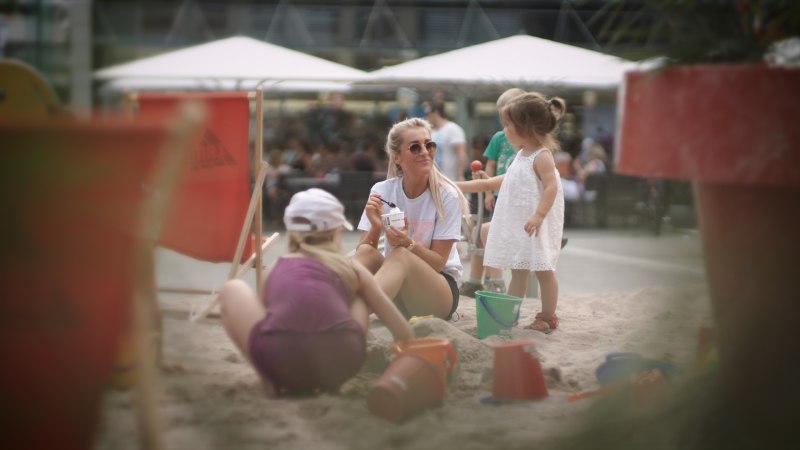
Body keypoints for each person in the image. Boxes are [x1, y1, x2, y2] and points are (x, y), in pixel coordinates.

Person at [219, 188, 413, 397]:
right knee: (357, 293)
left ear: (292, 230)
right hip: (341, 364)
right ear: (336, 231)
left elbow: (266, 322)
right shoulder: (350, 269)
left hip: (279, 364)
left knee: (233, 288)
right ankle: (334, 385)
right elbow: (403, 333)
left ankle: (268, 382)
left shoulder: (276, 267)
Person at [456, 92, 566, 334]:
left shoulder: (542, 156)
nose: (504, 131)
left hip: (536, 226)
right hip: (522, 227)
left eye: (508, 125)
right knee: (519, 271)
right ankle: (507, 316)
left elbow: (551, 187)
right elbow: (500, 182)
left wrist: (538, 216)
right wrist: (456, 185)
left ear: (526, 128)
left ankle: (548, 316)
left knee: (544, 272)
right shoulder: (522, 154)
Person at [352, 117, 470, 321]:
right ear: (397, 157)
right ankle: (326, 307)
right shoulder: (382, 191)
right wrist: (375, 227)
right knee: (365, 252)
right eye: (415, 147)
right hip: (399, 288)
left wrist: (408, 244)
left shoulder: (447, 195)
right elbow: (363, 249)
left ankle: (349, 317)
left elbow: (439, 264)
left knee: (400, 255)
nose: (425, 152)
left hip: (439, 292)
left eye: (429, 145)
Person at [459, 87, 526, 298]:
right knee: (481, 232)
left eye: (508, 121)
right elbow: (491, 165)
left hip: (517, 202)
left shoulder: (527, 143)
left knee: (487, 232)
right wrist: (488, 193)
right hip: (498, 197)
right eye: (503, 120)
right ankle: (476, 281)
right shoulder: (499, 137)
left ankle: (491, 280)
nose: (505, 126)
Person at [425, 100, 467, 181]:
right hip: (434, 179)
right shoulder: (431, 131)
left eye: (428, 113)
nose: (426, 117)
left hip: (450, 179)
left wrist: (459, 175)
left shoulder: (452, 129)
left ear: (436, 113)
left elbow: (461, 153)